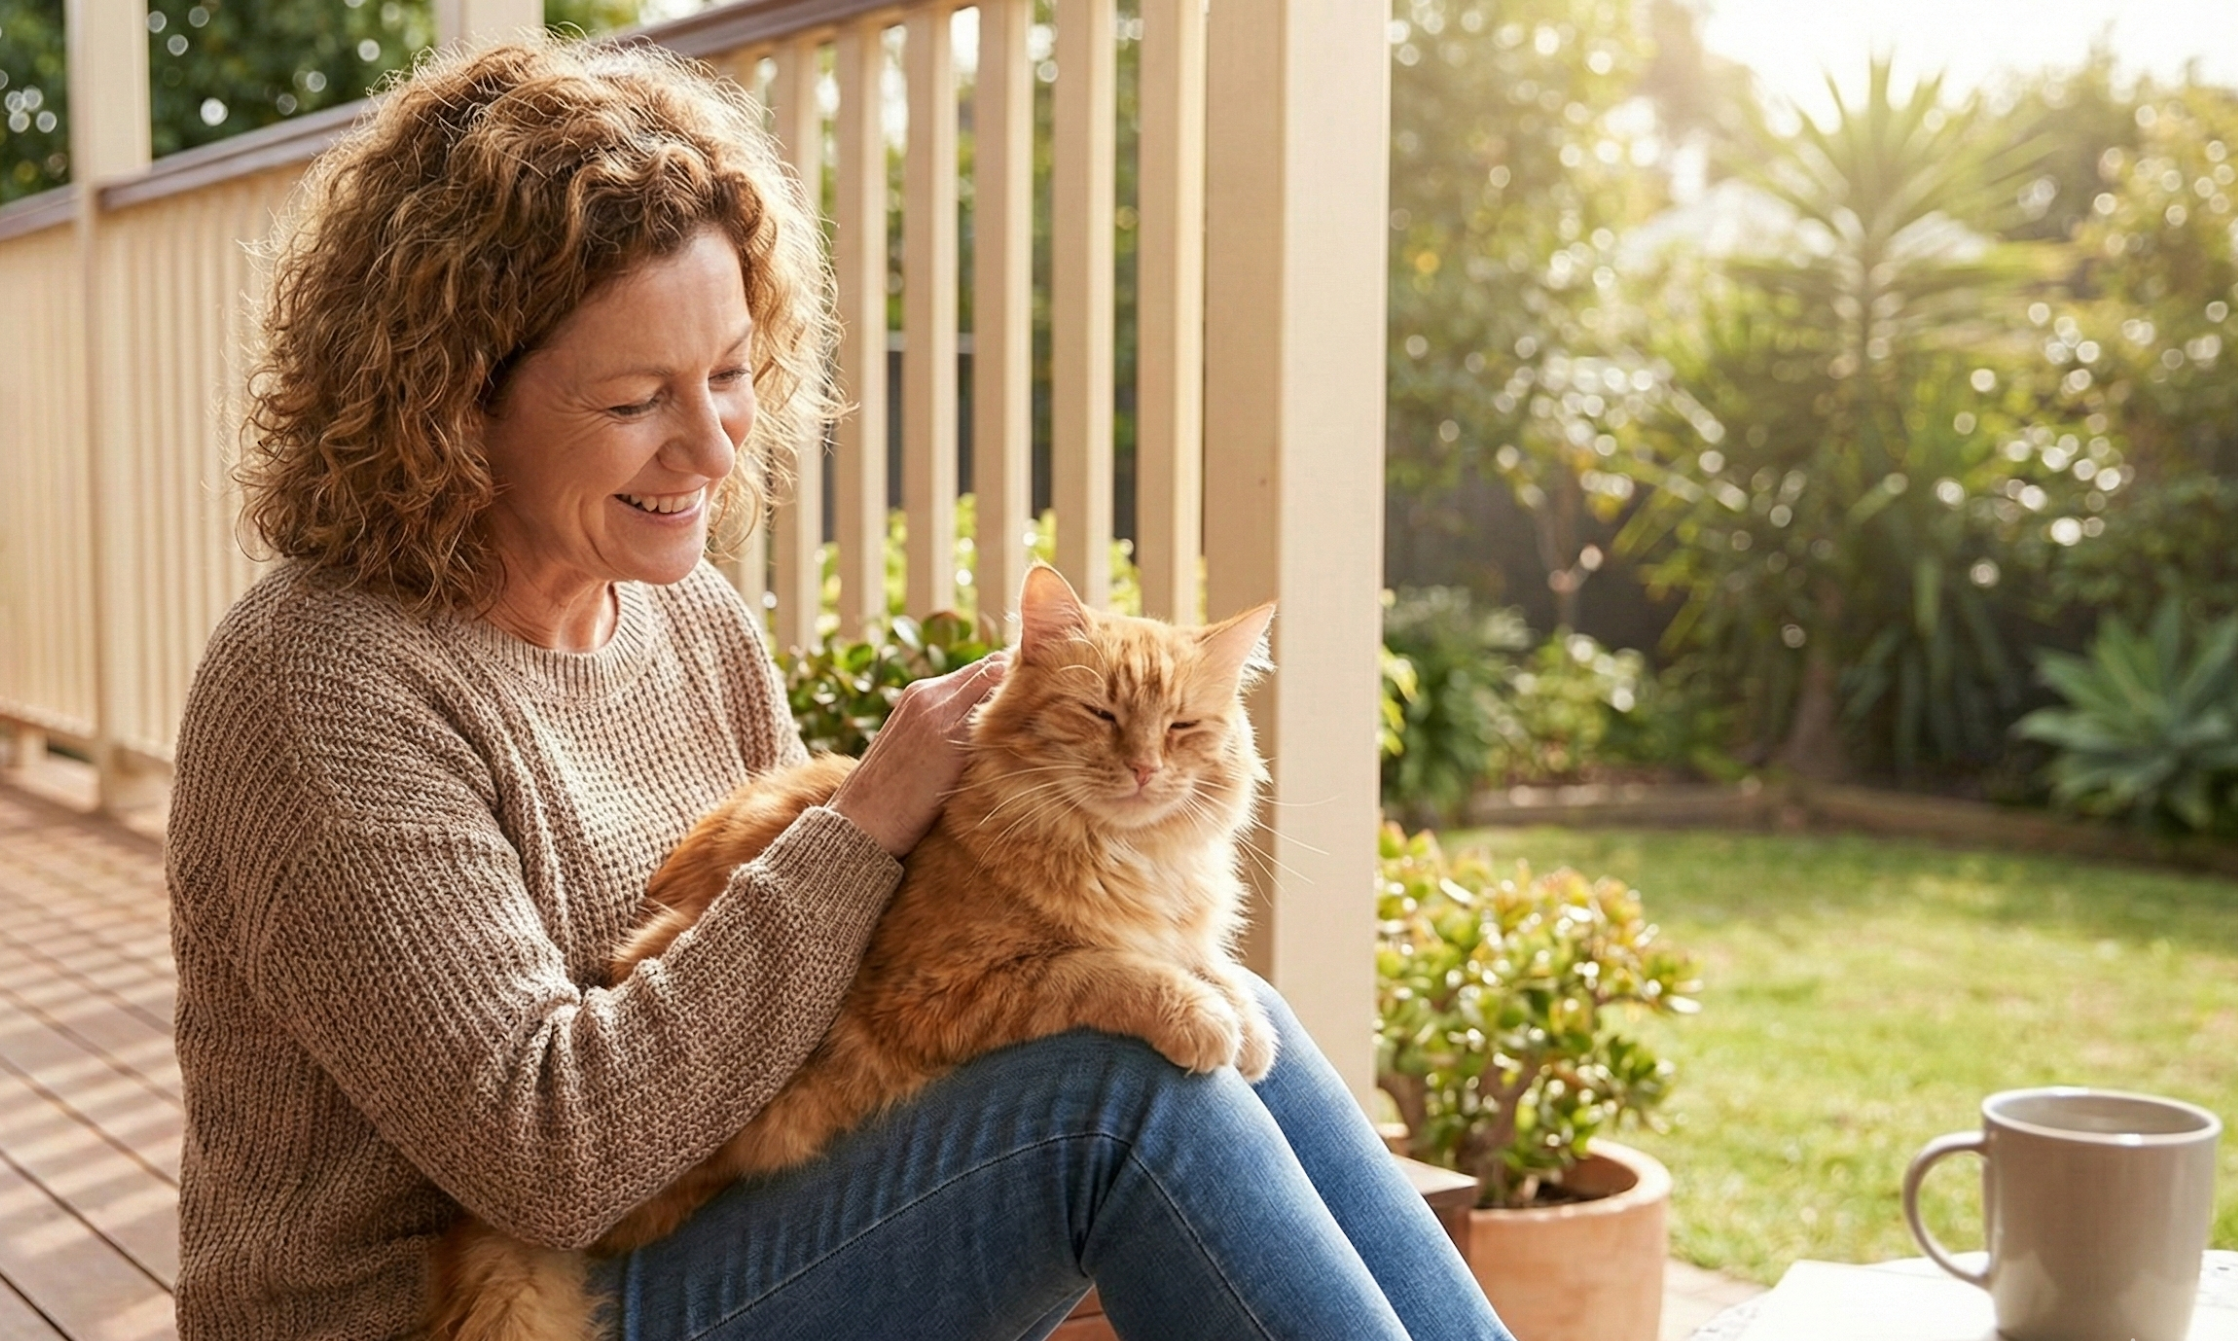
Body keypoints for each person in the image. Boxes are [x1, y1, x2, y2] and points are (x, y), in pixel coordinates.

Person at [166, 34, 1510, 1341]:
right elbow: (554, 1157)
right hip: (484, 1307)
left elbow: (805, 997)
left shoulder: (680, 612)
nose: (707, 446)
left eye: (735, 375)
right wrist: (862, 822)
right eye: (638, 398)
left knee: (1227, 1012)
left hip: (689, 1218)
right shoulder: (325, 685)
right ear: (450, 403)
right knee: (1121, 1100)